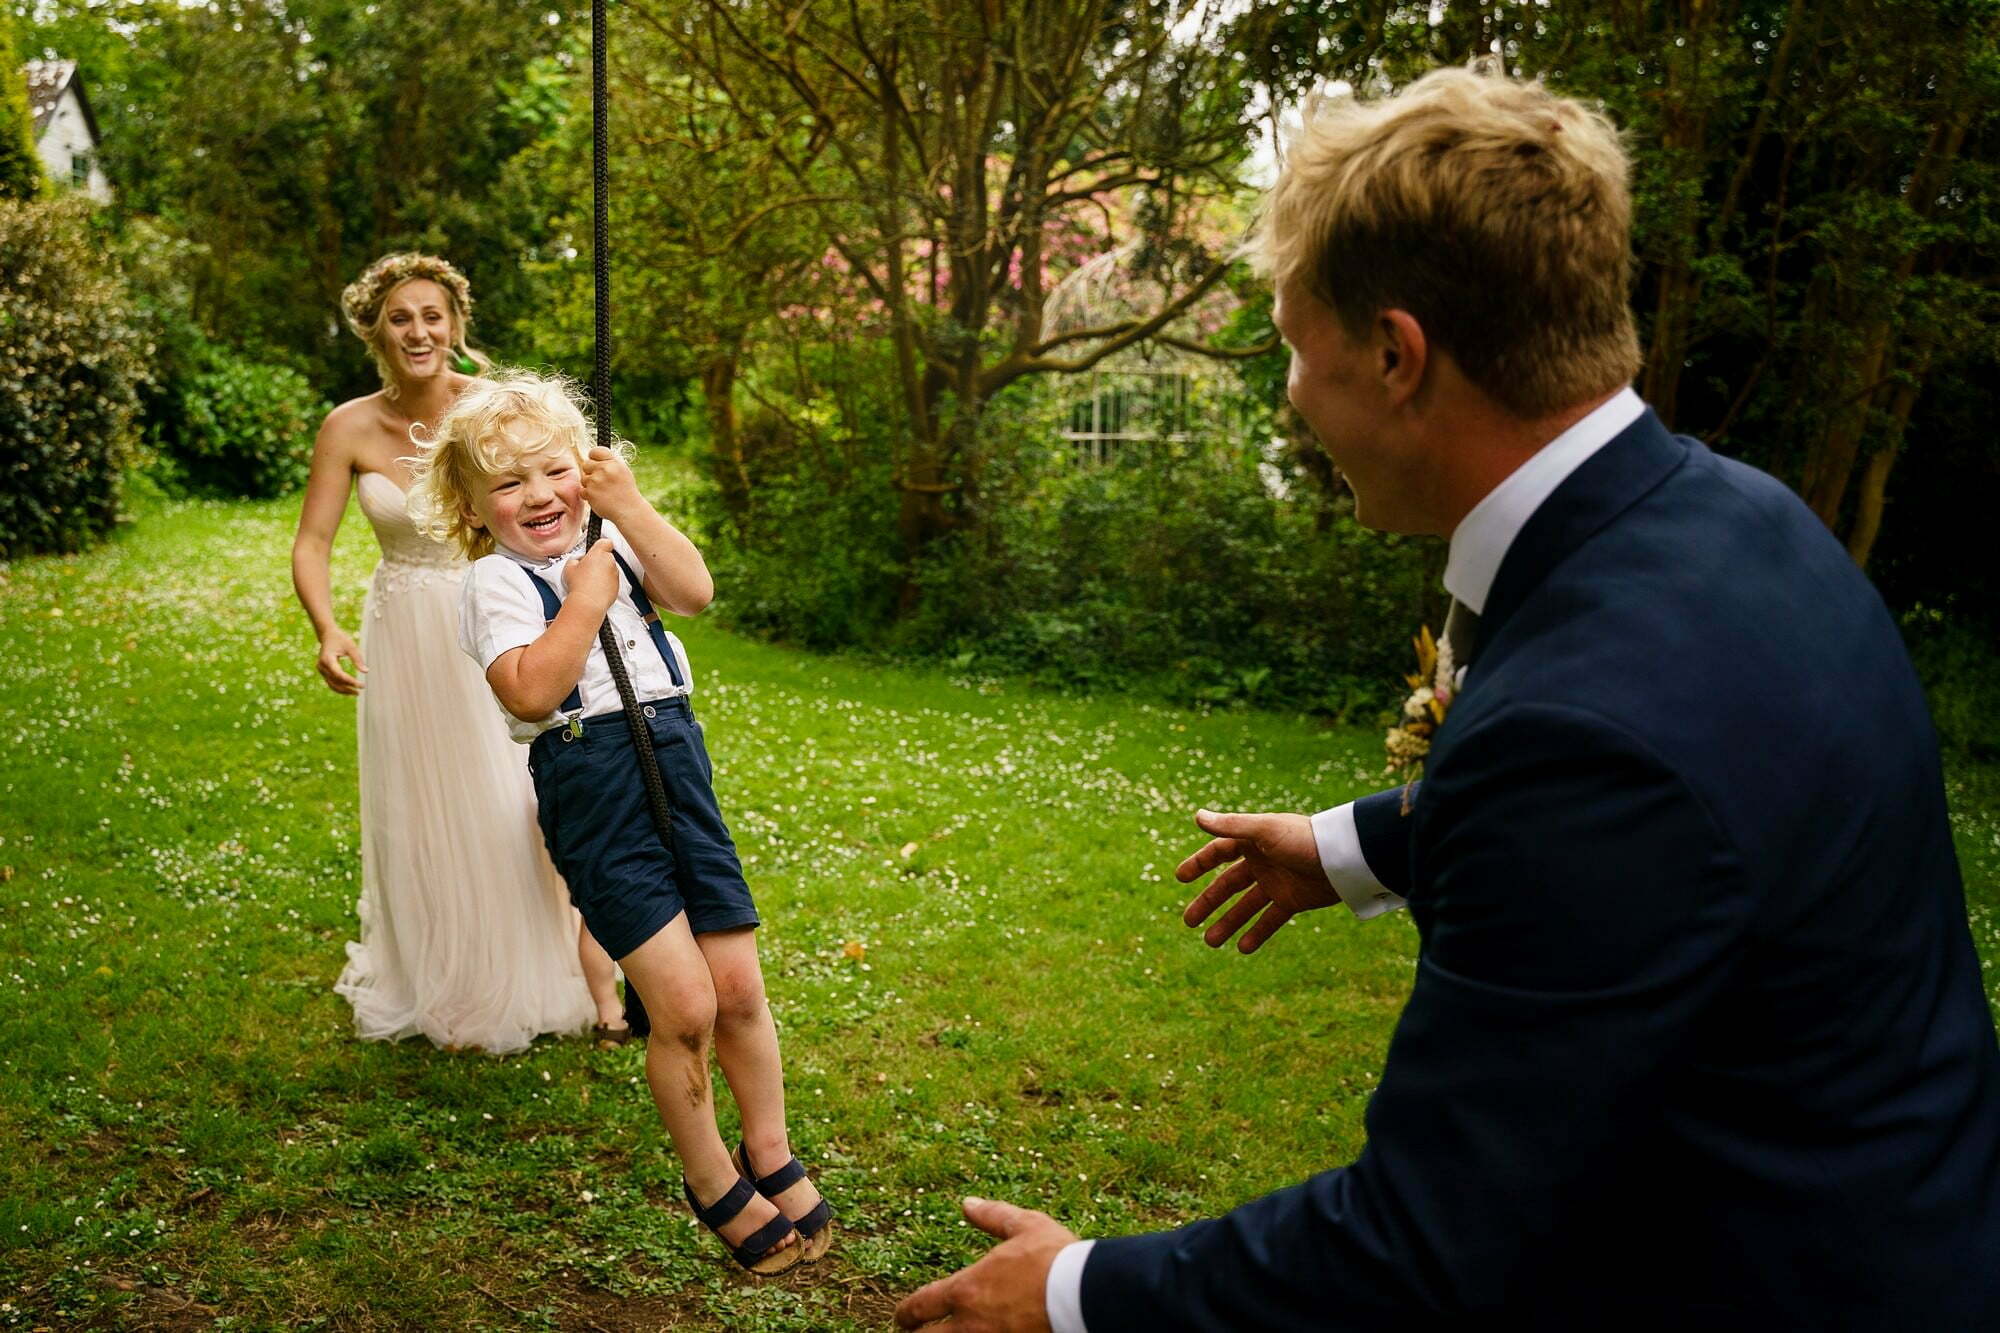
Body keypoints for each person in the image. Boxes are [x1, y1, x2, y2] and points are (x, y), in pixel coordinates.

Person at [895, 67, 2000, 1331]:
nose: (1291, 396)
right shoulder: (1738, 519)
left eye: (1292, 351)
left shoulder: (1583, 735)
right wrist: (1350, 847)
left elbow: (1424, 1249)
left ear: (1393, 352)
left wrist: (1073, 1291)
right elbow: (1683, 843)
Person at [406, 370, 833, 1273]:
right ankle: (712, 1175)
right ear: (476, 507)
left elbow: (694, 591)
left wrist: (629, 509)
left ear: (584, 471)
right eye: (509, 484)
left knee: (740, 989)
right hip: (590, 778)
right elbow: (528, 687)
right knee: (682, 1004)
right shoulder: (493, 582)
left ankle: (770, 1147)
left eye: (554, 471)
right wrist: (586, 596)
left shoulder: (612, 538)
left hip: (677, 758)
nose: (539, 497)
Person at [292, 252, 631, 1053]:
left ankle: (560, 969)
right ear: (374, 328)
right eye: (401, 316)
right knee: (424, 803)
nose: (419, 330)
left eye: (433, 314)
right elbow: (312, 541)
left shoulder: (489, 409)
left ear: (456, 323)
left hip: (498, 611)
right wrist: (327, 626)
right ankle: (441, 970)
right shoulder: (347, 425)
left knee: (515, 796)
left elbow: (558, 490)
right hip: (404, 631)